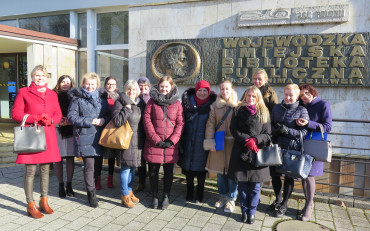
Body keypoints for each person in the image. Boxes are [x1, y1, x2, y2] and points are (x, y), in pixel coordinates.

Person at [12, 65, 62, 218]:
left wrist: (51, 120)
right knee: (31, 171)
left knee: (46, 169)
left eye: (43, 75)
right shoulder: (24, 92)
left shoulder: (53, 94)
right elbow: (15, 113)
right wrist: (35, 118)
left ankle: (44, 200)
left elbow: (58, 113)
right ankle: (30, 204)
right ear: (32, 77)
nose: (40, 78)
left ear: (46, 77)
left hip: (48, 135)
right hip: (32, 136)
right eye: (37, 75)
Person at [227, 86, 271, 224]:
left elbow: (268, 134)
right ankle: (244, 211)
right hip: (241, 151)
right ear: (245, 96)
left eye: (253, 96)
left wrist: (256, 140)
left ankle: (252, 212)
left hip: (257, 154)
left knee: (255, 186)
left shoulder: (264, 112)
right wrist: (247, 140)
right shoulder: (238, 110)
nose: (250, 98)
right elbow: (233, 129)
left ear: (258, 98)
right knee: (242, 185)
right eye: (248, 96)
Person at [67, 72, 111, 208]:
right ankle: (91, 194)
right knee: (89, 167)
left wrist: (104, 120)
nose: (90, 86)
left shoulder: (102, 99)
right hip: (85, 136)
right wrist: (90, 121)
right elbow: (72, 117)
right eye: (87, 84)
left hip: (100, 136)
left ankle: (93, 188)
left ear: (97, 85)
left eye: (93, 84)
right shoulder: (77, 99)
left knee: (97, 166)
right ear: (83, 84)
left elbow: (109, 115)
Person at [143, 76, 184, 209]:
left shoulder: (177, 104)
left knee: (168, 172)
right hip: (154, 143)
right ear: (158, 87)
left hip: (170, 144)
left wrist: (172, 141)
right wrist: (156, 140)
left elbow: (180, 123)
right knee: (153, 171)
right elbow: (147, 122)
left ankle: (166, 195)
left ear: (171, 87)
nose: (164, 89)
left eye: (166, 86)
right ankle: (154, 195)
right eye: (162, 86)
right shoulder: (151, 102)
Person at [270, 83, 309, 217]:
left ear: (297, 96)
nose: (288, 98)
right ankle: (278, 199)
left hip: (291, 149)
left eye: (291, 95)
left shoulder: (302, 110)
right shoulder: (276, 108)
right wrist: (276, 130)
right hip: (276, 146)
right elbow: (269, 126)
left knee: (288, 177)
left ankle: (284, 205)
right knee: (274, 175)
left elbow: (303, 133)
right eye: (286, 94)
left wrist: (287, 131)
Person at [297, 84, 332, 221]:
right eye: (301, 95)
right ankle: (307, 203)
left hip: (315, 145)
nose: (304, 96)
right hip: (302, 144)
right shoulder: (302, 105)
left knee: (310, 175)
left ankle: (310, 205)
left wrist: (308, 123)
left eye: (306, 93)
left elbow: (328, 127)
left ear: (312, 91)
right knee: (303, 175)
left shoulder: (323, 104)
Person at [203, 80, 238, 212]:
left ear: (232, 90)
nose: (224, 91)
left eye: (227, 89)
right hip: (219, 143)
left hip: (233, 144)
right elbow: (210, 124)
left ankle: (231, 199)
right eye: (222, 89)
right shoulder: (214, 106)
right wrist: (210, 142)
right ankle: (222, 196)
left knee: (232, 173)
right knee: (220, 173)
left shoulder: (237, 106)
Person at [180, 80, 217, 203]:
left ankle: (200, 191)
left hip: (203, 142)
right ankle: (189, 190)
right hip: (188, 139)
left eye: (205, 90)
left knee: (201, 168)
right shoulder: (186, 103)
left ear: (208, 92)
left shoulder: (213, 105)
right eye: (200, 90)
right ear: (196, 91)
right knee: (188, 167)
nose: (202, 93)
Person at [112, 80, 146, 208]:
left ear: (137, 91)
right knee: (125, 168)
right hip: (125, 140)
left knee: (133, 168)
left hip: (138, 140)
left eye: (134, 89)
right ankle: (124, 195)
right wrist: (126, 109)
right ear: (125, 90)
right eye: (129, 89)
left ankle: (130, 191)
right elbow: (117, 121)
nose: (131, 92)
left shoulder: (139, 103)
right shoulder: (120, 102)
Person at [94, 76, 119, 190]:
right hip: (101, 128)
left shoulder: (119, 97)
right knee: (99, 155)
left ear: (116, 86)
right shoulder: (100, 96)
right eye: (109, 84)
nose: (110, 86)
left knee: (111, 156)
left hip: (113, 129)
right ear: (105, 85)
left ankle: (110, 179)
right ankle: (97, 180)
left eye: (113, 84)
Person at [53, 75, 75, 198]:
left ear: (71, 84)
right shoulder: (53, 95)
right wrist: (59, 121)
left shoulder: (75, 96)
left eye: (68, 82)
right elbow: (50, 111)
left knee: (70, 158)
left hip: (71, 129)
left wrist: (70, 121)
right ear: (59, 83)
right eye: (63, 82)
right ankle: (61, 185)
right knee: (58, 159)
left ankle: (69, 185)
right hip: (57, 129)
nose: (65, 84)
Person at [134, 77, 151, 193]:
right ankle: (141, 182)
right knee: (140, 160)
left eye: (145, 86)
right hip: (139, 132)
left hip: (149, 132)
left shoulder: (152, 99)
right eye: (141, 86)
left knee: (151, 158)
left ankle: (152, 182)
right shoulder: (135, 98)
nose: (143, 88)